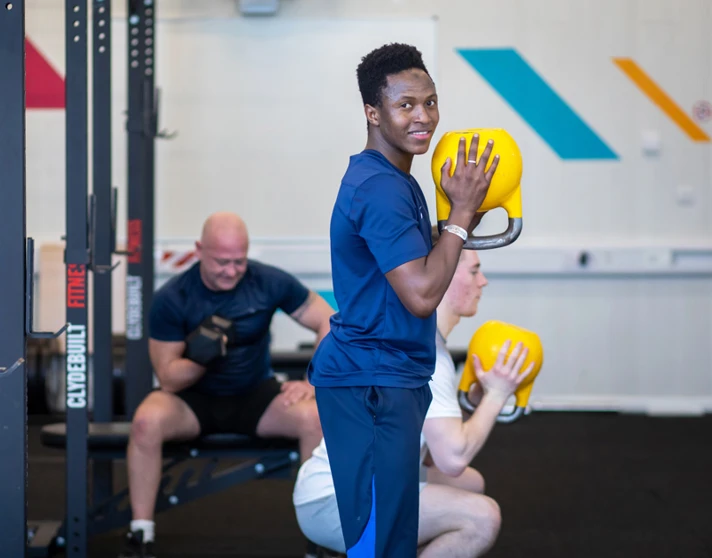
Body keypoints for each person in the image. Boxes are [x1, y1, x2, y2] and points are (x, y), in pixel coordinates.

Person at [307, 42, 501, 557]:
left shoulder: (398, 180)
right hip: (370, 382)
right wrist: (459, 217)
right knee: (379, 544)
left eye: (431, 102)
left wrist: (461, 222)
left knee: (390, 538)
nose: (424, 117)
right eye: (406, 105)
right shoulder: (381, 188)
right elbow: (420, 295)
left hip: (390, 375)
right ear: (373, 113)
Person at [294, 231, 534, 557]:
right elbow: (452, 458)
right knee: (481, 517)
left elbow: (433, 451)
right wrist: (497, 395)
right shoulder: (428, 356)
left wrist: (475, 401)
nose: (484, 282)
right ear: (445, 277)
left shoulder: (423, 343)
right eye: (475, 271)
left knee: (470, 483)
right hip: (332, 500)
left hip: (342, 486)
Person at [118, 212, 335, 558]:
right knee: (146, 422)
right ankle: (140, 534)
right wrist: (202, 357)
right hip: (192, 401)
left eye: (239, 261)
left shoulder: (267, 282)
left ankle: (320, 536)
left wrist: (313, 378)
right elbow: (169, 377)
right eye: (222, 262)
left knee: (315, 417)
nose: (232, 271)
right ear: (199, 250)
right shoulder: (174, 298)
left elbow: (327, 319)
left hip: (254, 395)